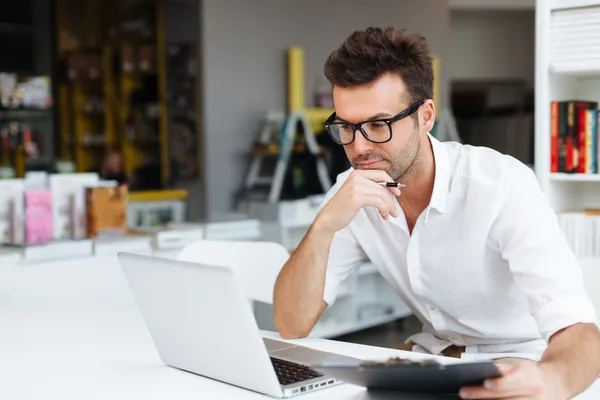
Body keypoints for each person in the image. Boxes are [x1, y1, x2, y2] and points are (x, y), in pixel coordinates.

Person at [273, 27, 600, 399]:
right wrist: (324, 227)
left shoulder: (502, 185)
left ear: (425, 116)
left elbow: (580, 331)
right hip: (432, 361)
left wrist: (553, 381)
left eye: (378, 125)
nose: (359, 147)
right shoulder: (351, 191)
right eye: (346, 127)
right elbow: (291, 324)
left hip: (522, 364)